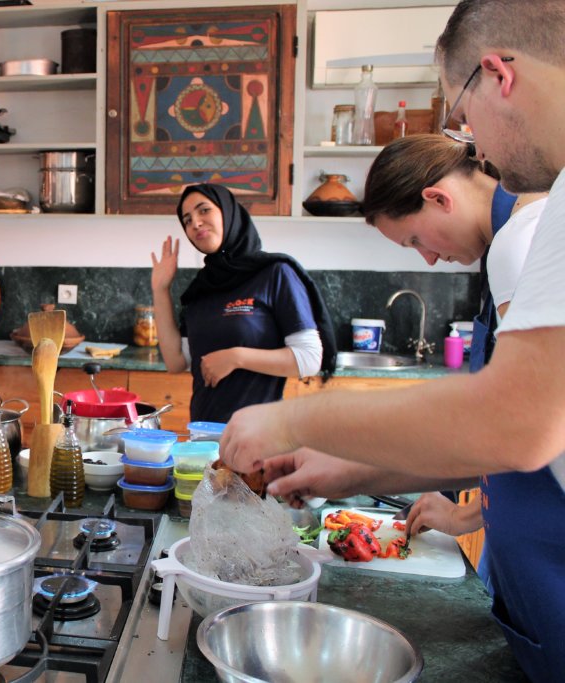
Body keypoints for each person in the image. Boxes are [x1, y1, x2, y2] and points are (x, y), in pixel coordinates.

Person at [219, 2, 565, 678]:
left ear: (498, 75)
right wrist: (352, 467)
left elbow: (515, 424)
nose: (475, 142)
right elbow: (513, 437)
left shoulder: (529, 232)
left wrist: (288, 415)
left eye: (464, 115)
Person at [360, 134, 544, 574]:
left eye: (414, 240)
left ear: (438, 198)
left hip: (542, 534)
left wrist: (463, 515)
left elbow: (538, 419)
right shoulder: (513, 236)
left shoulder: (518, 245)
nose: (427, 259)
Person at [150, 183, 337, 424]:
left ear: (228, 212)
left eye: (204, 210)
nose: (195, 223)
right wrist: (160, 289)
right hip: (204, 437)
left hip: (259, 435)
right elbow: (177, 361)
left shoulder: (275, 274)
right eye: (187, 220)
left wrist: (236, 357)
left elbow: (310, 358)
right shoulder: (202, 288)